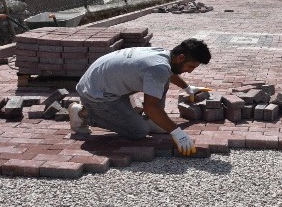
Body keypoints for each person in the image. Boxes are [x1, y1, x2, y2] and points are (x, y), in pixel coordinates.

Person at [69, 38, 212, 156]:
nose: (190, 72)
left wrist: (187, 88)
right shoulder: (158, 68)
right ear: (180, 58)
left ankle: (153, 119)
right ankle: (82, 113)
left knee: (162, 81)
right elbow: (151, 106)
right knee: (139, 131)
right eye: (191, 67)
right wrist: (177, 132)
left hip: (103, 83)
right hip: (96, 94)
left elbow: (168, 74)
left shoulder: (164, 55)